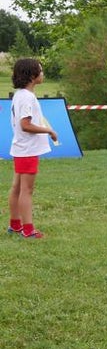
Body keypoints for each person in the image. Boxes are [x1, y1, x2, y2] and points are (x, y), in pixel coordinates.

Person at [8, 57, 57, 240]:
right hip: (28, 150)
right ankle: (28, 229)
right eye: (41, 71)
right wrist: (48, 131)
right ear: (32, 75)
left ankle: (15, 224)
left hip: (20, 148)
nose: (43, 74)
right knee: (26, 190)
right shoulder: (27, 97)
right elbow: (25, 125)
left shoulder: (19, 95)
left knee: (17, 188)